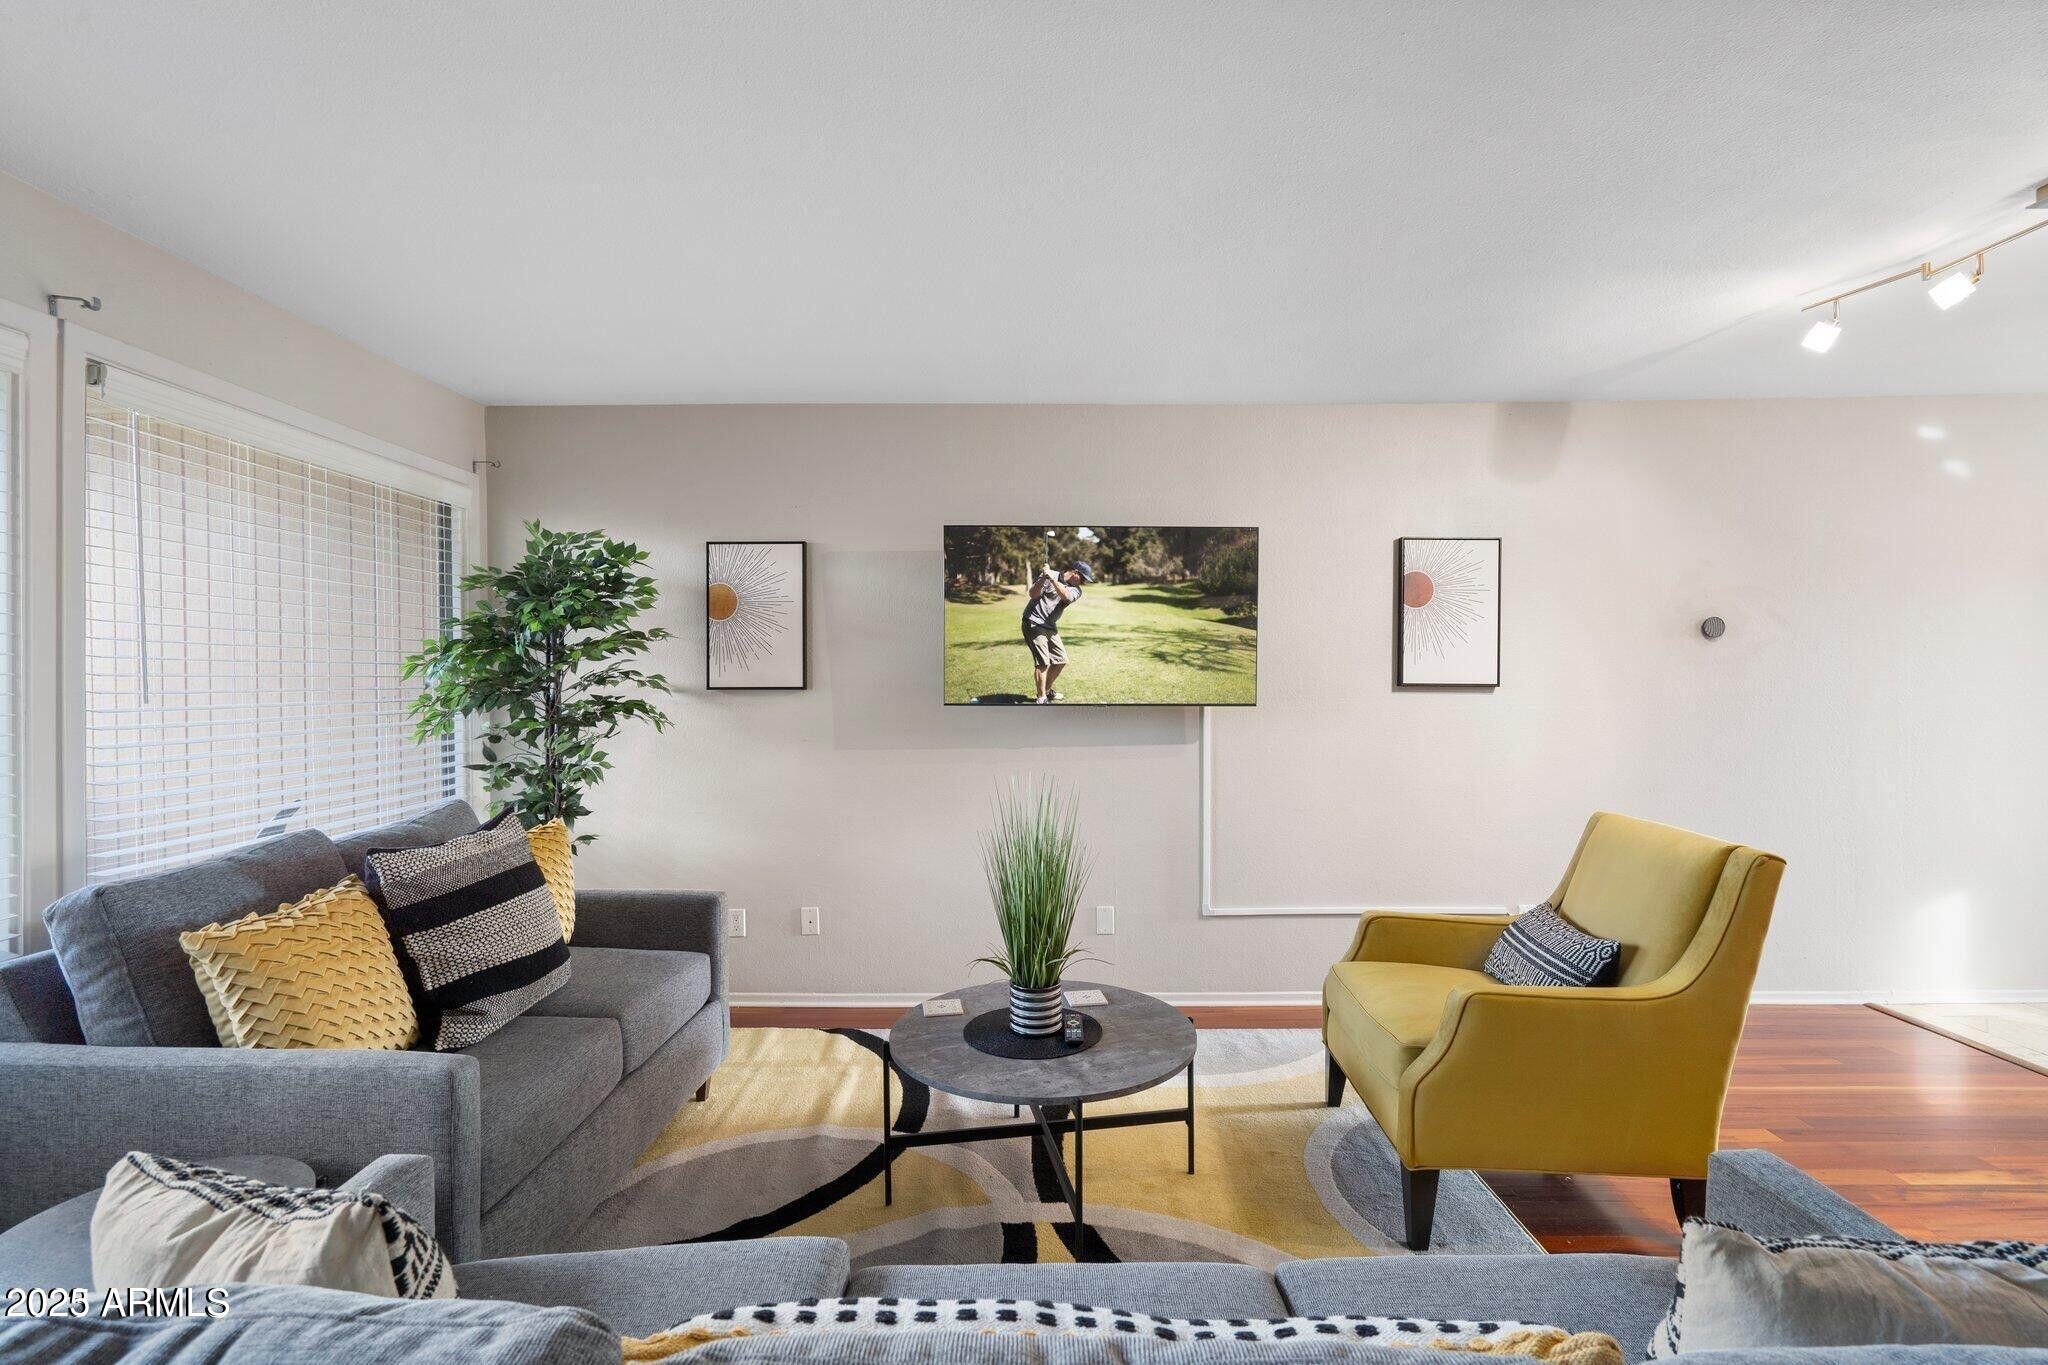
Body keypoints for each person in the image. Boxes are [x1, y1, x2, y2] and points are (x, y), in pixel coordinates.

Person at [1023, 560, 1092, 703]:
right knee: (1042, 662)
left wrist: (1052, 580)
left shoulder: (1076, 590)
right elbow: (1032, 594)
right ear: (1075, 573)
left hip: (1050, 625)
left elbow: (1065, 595)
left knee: (1061, 660)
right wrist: (1043, 577)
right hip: (1034, 622)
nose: (1084, 582)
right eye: (1083, 578)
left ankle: (1047, 690)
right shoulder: (1049, 575)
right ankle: (1041, 698)